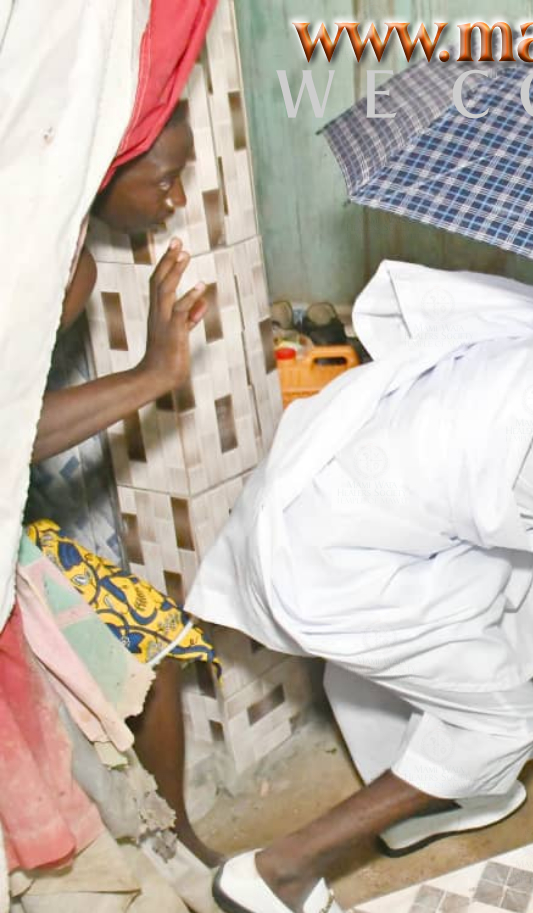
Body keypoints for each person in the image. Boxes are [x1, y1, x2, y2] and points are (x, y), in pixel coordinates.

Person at [190, 263, 533, 913]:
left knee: (500, 594)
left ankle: (416, 805)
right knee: (503, 722)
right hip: (334, 567)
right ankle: (278, 870)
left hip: (297, 499)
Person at [26, 109, 224, 867]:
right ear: (105, 171)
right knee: (148, 647)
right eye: (165, 180)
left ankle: (171, 840)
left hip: (30, 522)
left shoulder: (69, 248)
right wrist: (154, 374)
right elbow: (13, 430)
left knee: (155, 642)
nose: (174, 199)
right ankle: (167, 846)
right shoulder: (58, 262)